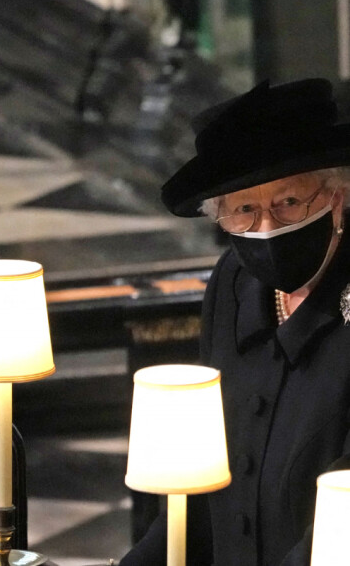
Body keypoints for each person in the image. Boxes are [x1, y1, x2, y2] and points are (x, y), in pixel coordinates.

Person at [119, 78, 350, 566]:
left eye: (288, 201)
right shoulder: (233, 283)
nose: (266, 227)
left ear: (337, 196)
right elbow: (202, 479)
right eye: (244, 209)